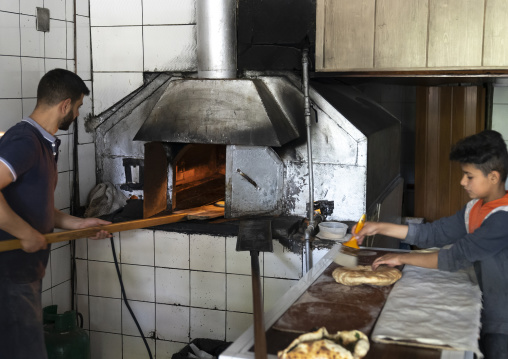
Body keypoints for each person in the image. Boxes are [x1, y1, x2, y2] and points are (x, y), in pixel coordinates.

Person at [354, 130, 508, 359]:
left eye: (469, 176)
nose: (462, 182)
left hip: (503, 319)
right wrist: (381, 227)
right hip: (486, 307)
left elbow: (455, 257)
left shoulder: (502, 218)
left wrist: (402, 258)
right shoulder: (474, 208)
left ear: (493, 177)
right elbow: (434, 233)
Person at [0, 68, 112, 359]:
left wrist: (79, 223)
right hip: (8, 273)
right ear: (65, 105)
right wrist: (25, 234)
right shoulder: (24, 141)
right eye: (77, 108)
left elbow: (36, 205)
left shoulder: (44, 144)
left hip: (25, 272)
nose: (76, 115)